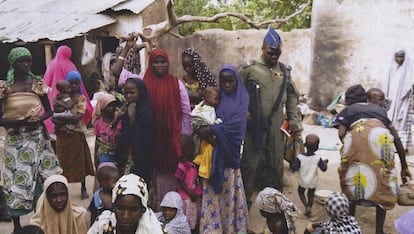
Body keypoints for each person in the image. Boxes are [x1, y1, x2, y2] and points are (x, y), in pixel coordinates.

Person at [0, 47, 63, 232]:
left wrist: (38, 120)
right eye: (22, 61)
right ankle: (17, 226)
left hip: (37, 139)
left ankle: (40, 221)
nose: (26, 64)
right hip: (15, 141)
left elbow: (49, 110)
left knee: (43, 178)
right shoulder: (5, 88)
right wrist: (19, 122)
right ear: (13, 63)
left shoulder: (37, 84)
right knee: (15, 183)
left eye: (28, 61)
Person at [335, 84, 412, 234]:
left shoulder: (348, 110)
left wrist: (353, 147)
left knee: (351, 176)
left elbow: (341, 133)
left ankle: (351, 224)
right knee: (383, 182)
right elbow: (396, 138)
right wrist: (404, 166)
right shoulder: (380, 111)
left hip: (356, 138)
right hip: (381, 138)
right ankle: (378, 230)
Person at [240, 27, 302, 208]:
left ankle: (275, 204)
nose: (274, 56)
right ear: (263, 48)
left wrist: (293, 120)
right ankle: (244, 203)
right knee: (251, 162)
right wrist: (244, 113)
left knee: (276, 162)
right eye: (271, 52)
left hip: (276, 123)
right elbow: (237, 93)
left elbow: (291, 96)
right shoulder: (250, 69)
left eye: (278, 53)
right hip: (254, 124)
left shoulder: (284, 71)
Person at [197, 65, 249, 233]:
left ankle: (231, 228)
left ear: (236, 81)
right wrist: (204, 130)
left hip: (230, 154)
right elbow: (203, 118)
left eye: (230, 81)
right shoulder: (215, 97)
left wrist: (212, 130)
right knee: (213, 193)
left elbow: (237, 126)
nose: (227, 85)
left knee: (229, 194)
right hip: (213, 155)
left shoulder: (242, 98)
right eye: (224, 81)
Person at [143, 48, 193, 208]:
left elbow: (186, 111)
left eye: (163, 62)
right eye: (156, 62)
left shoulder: (175, 84)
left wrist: (185, 136)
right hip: (150, 139)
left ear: (168, 63)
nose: (159, 65)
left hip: (170, 139)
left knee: (169, 176)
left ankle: (169, 210)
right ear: (150, 64)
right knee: (151, 175)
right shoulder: (144, 83)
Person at [53, 70, 95, 199]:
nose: (73, 87)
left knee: (80, 162)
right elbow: (54, 116)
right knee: (62, 163)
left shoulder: (80, 99)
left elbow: (78, 118)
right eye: (71, 83)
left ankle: (83, 188)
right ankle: (63, 188)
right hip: (62, 136)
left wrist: (61, 118)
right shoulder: (59, 98)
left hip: (76, 135)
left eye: (77, 83)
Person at [88, 173, 163, 234]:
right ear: (114, 206)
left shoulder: (153, 230)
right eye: (120, 208)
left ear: (142, 209)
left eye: (133, 209)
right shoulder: (102, 225)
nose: (125, 216)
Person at [43, 45, 92, 135]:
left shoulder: (51, 65)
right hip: (69, 97)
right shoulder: (70, 65)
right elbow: (76, 81)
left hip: (53, 96)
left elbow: (46, 81)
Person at [114, 78, 154, 183]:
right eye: (126, 93)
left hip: (141, 156)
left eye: (132, 93)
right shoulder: (126, 107)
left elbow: (145, 135)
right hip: (126, 153)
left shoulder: (145, 111)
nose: (128, 96)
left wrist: (132, 118)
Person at [383, 50, 414, 150]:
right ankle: (389, 145)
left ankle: (401, 147)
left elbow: (409, 85)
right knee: (389, 120)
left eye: (401, 57)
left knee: (402, 123)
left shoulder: (409, 69)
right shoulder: (390, 69)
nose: (399, 59)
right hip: (391, 100)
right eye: (397, 57)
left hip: (403, 102)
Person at [291, 134, 328, 216]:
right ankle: (310, 207)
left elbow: (294, 168)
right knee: (310, 195)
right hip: (313, 181)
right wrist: (325, 162)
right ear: (317, 147)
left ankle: (306, 206)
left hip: (303, 181)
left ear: (305, 145)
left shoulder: (300, 157)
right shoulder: (318, 158)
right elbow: (324, 168)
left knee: (300, 192)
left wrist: (294, 164)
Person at [175, 135, 202, 232]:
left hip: (194, 197)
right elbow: (179, 180)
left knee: (194, 218)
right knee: (187, 219)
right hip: (186, 198)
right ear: (190, 149)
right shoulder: (182, 165)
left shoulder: (193, 163)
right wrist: (190, 193)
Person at [92, 93, 122, 164]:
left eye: (114, 105)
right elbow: (97, 141)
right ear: (103, 107)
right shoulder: (98, 123)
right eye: (109, 106)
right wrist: (96, 158)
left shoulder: (120, 119)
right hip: (104, 153)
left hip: (118, 152)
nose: (112, 108)